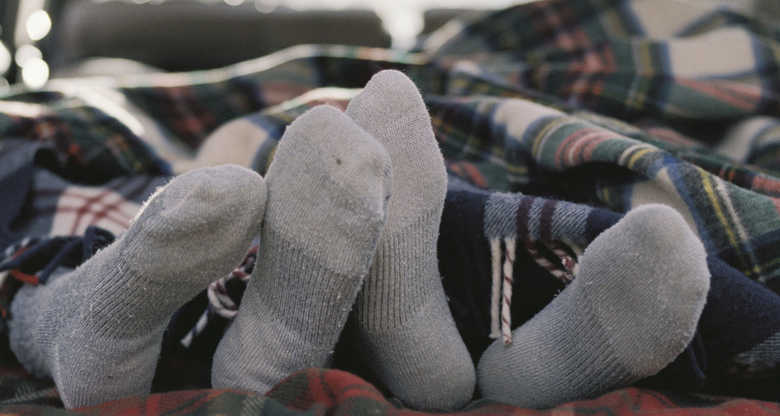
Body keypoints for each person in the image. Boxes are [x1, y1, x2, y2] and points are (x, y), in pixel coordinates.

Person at [6, 71, 710, 410]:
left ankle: (375, 317)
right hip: (234, 259)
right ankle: (417, 325)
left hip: (221, 268)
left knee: (59, 267)